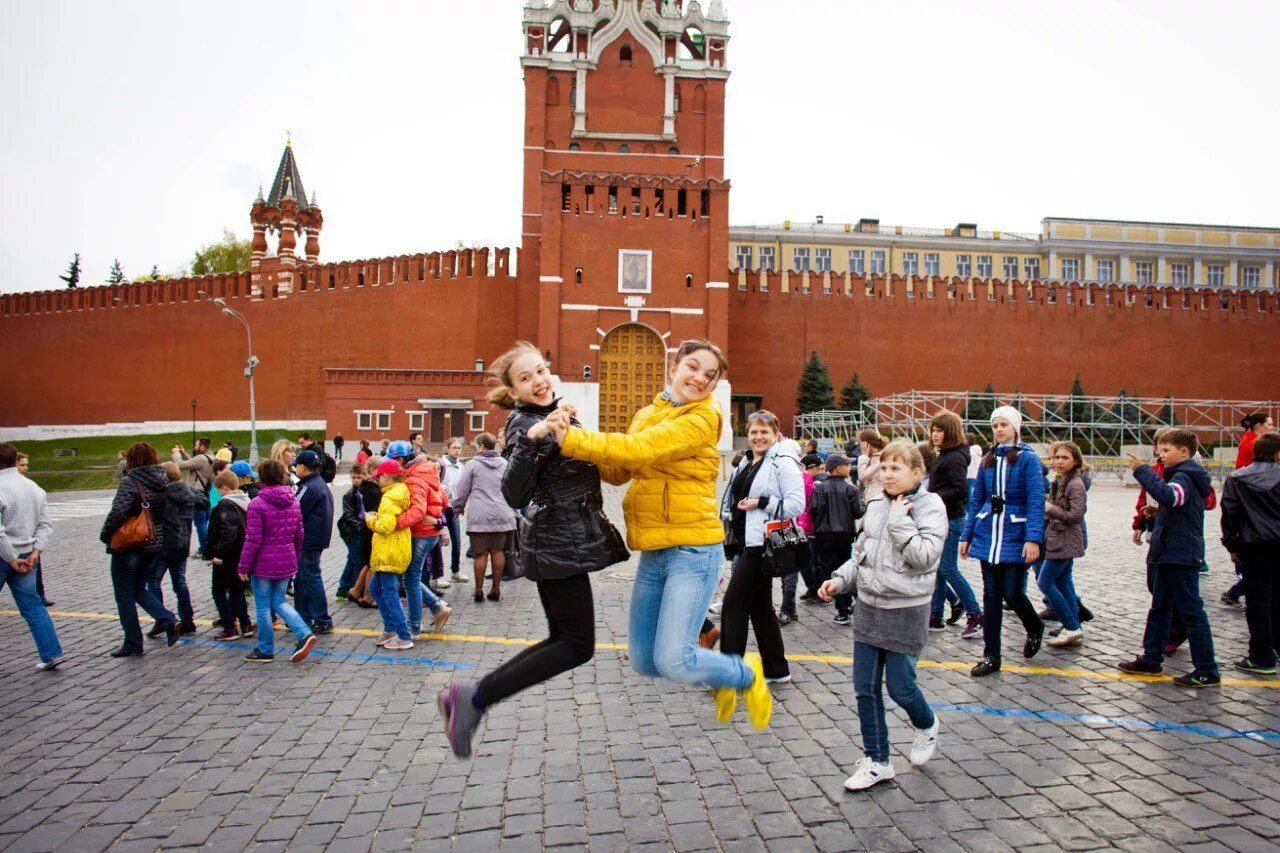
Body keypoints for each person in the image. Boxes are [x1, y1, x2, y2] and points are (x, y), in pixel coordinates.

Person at [544, 339, 774, 728]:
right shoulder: (649, 412)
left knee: (675, 659)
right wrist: (571, 432)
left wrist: (575, 440)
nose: (700, 378)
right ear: (674, 367)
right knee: (645, 661)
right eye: (693, 367)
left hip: (694, 550)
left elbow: (638, 450)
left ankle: (744, 674)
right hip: (655, 550)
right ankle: (720, 673)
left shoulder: (704, 418)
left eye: (710, 374)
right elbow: (620, 469)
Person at [438, 342, 629, 758]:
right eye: (526, 378)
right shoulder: (526, 423)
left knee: (566, 639)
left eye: (541, 371)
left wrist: (567, 427)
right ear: (514, 390)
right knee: (575, 645)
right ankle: (471, 699)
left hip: (562, 540)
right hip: (558, 543)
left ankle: (471, 699)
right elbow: (513, 491)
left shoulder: (548, 413)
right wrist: (535, 438)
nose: (539, 381)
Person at [819, 440, 947, 790]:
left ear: (916, 472)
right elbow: (862, 554)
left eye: (896, 468)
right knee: (865, 688)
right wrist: (839, 580)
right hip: (869, 608)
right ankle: (878, 761)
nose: (888, 475)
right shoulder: (876, 503)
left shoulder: (931, 506)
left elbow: (925, 556)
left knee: (901, 688)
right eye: (885, 468)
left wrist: (899, 521)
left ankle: (926, 723)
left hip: (906, 609)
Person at [1119, 429, 1219, 687]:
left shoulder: (1185, 475)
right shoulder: (1181, 474)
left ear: (1183, 452)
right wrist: (1155, 511)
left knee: (1191, 612)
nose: (1160, 455)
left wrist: (1143, 471)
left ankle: (1207, 669)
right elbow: (1174, 505)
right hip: (1168, 552)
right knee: (1159, 608)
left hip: (1180, 554)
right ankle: (1152, 658)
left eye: (1166, 450)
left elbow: (1171, 496)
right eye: (1159, 450)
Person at [719, 411, 804, 685]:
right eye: (754, 432)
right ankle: (777, 670)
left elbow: (796, 505)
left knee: (733, 603)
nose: (758, 437)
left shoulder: (783, 463)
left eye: (764, 432)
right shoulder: (746, 462)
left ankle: (729, 674)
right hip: (745, 542)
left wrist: (761, 502)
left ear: (776, 435)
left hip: (763, 545)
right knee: (760, 607)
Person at [961, 406, 1046, 677]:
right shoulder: (988, 457)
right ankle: (991, 655)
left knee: (1012, 592)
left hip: (1014, 533)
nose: (999, 429)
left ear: (1015, 427)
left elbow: (1035, 500)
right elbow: (977, 500)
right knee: (990, 596)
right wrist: (967, 534)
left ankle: (1034, 626)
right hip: (989, 534)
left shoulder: (1027, 459)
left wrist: (1033, 538)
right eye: (995, 425)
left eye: (1004, 424)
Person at [102, 442, 180, 655]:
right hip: (153, 542)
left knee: (124, 594)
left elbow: (118, 512)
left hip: (130, 544)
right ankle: (168, 619)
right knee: (138, 588)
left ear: (132, 460)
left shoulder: (131, 481)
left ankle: (133, 642)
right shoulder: (163, 479)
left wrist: (106, 535)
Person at [239, 460, 317, 663]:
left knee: (263, 606)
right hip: (286, 558)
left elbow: (253, 539)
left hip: (263, 562)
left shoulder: (257, 504)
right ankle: (303, 633)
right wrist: (294, 555)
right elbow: (299, 534)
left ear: (261, 478)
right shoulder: (293, 500)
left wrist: (244, 566)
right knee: (279, 601)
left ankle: (265, 648)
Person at [1220, 431, 1280, 675]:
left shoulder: (1237, 479)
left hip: (1252, 545)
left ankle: (1262, 655)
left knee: (1256, 600)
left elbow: (1230, 515)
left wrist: (1232, 546)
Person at [0, 443, 63, 670]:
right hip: (28, 554)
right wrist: (36, 551)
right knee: (34, 606)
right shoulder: (34, 488)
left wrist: (9, 558)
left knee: (33, 605)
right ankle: (52, 653)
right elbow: (45, 524)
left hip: (5, 556)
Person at [926, 412, 983, 638]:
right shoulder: (947, 454)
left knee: (948, 568)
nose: (935, 434)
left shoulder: (954, 457)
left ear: (949, 432)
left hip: (951, 519)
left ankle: (976, 615)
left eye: (939, 430)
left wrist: (931, 498)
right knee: (938, 570)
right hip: (942, 518)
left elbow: (960, 490)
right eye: (933, 429)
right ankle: (935, 615)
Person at [366, 460, 430, 651]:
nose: (377, 480)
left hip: (389, 549)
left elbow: (386, 526)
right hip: (396, 547)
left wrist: (370, 520)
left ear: (386, 476)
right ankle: (390, 628)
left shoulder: (389, 498)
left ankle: (403, 634)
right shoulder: (401, 491)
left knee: (388, 591)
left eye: (379, 476)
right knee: (375, 588)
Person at [390, 440, 451, 635]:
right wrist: (436, 520)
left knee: (411, 579)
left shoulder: (414, 478)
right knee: (411, 578)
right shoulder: (425, 470)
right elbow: (444, 499)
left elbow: (417, 512)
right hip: (428, 533)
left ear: (400, 459)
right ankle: (436, 606)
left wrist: (394, 523)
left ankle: (415, 625)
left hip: (420, 533)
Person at [451, 433, 518, 603]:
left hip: (480, 515)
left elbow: (462, 490)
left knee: (480, 554)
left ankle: (479, 590)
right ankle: (496, 589)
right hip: (502, 514)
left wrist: (457, 509)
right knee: (498, 552)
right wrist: (514, 512)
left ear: (481, 446)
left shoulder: (473, 465)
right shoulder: (504, 463)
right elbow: (512, 488)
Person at [148, 461, 207, 637]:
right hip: (182, 542)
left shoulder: (161, 494)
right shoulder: (186, 490)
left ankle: (161, 618)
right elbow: (204, 502)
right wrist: (191, 490)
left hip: (163, 544)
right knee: (179, 582)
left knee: (153, 581)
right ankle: (187, 619)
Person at [1040, 442, 1088, 648]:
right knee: (1063, 583)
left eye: (1064, 458)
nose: (1058, 461)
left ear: (1075, 461)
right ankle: (1073, 624)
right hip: (1059, 538)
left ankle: (1070, 625)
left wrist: (1050, 508)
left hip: (1064, 540)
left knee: (1045, 582)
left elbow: (1076, 515)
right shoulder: (1061, 480)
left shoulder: (1075, 484)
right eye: (1056, 457)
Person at [808, 452, 864, 624]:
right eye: (847, 464)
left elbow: (814, 510)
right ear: (838, 468)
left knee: (831, 571)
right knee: (845, 567)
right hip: (845, 534)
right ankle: (852, 599)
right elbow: (857, 512)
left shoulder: (820, 488)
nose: (850, 467)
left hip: (824, 535)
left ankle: (843, 609)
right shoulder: (850, 489)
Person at [205, 470, 253, 641]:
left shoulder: (226, 505)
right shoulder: (245, 501)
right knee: (237, 590)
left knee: (218, 591)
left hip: (227, 557)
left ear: (224, 488)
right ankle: (245, 624)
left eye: (219, 490)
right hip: (241, 554)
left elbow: (228, 532)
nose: (218, 493)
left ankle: (228, 627)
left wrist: (218, 553)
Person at [292, 448, 334, 634]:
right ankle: (302, 615)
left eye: (296, 466)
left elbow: (295, 510)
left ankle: (321, 617)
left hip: (309, 539)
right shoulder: (319, 483)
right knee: (302, 578)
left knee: (310, 577)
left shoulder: (309, 487)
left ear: (303, 466)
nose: (294, 469)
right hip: (315, 537)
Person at [777, 451, 820, 624]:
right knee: (784, 569)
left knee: (789, 569)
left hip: (794, 526)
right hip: (782, 526)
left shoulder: (803, 479)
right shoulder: (786, 476)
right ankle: (790, 608)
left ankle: (787, 607)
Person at [337, 462, 381, 602]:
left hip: (361, 529)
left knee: (353, 559)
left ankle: (345, 589)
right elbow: (348, 515)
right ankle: (355, 590)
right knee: (358, 561)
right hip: (353, 531)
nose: (356, 480)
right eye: (353, 477)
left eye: (359, 477)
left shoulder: (365, 491)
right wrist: (361, 527)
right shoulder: (350, 495)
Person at [14, 451, 53, 607]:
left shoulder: (30, 487)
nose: (25, 468)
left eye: (26, 465)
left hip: (29, 536)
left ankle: (39, 596)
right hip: (9, 540)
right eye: (22, 465)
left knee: (35, 570)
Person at [172, 437, 214, 557]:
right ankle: (207, 546)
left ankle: (204, 549)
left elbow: (179, 465)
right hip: (206, 492)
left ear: (202, 447)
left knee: (200, 523)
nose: (194, 447)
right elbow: (195, 464)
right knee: (205, 522)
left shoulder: (201, 458)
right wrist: (184, 454)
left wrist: (176, 454)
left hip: (196, 493)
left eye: (196, 445)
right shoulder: (210, 457)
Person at [439, 437, 469, 584]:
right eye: (454, 448)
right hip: (441, 507)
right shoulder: (441, 464)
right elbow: (437, 484)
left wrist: (461, 503)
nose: (457, 450)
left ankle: (455, 571)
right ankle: (436, 576)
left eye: (459, 448)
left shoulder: (462, 466)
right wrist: (447, 491)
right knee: (438, 541)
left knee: (457, 540)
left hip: (454, 507)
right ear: (447, 449)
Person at [857, 429, 887, 505]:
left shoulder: (880, 458)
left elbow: (862, 475)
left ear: (867, 444)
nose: (860, 446)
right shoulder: (872, 457)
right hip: (872, 499)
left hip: (877, 500)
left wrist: (863, 455)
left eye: (860, 443)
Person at [965, 434, 984, 501]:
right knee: (973, 497)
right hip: (976, 475)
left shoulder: (969, 452)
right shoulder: (977, 451)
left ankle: (969, 511)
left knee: (970, 499)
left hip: (969, 476)